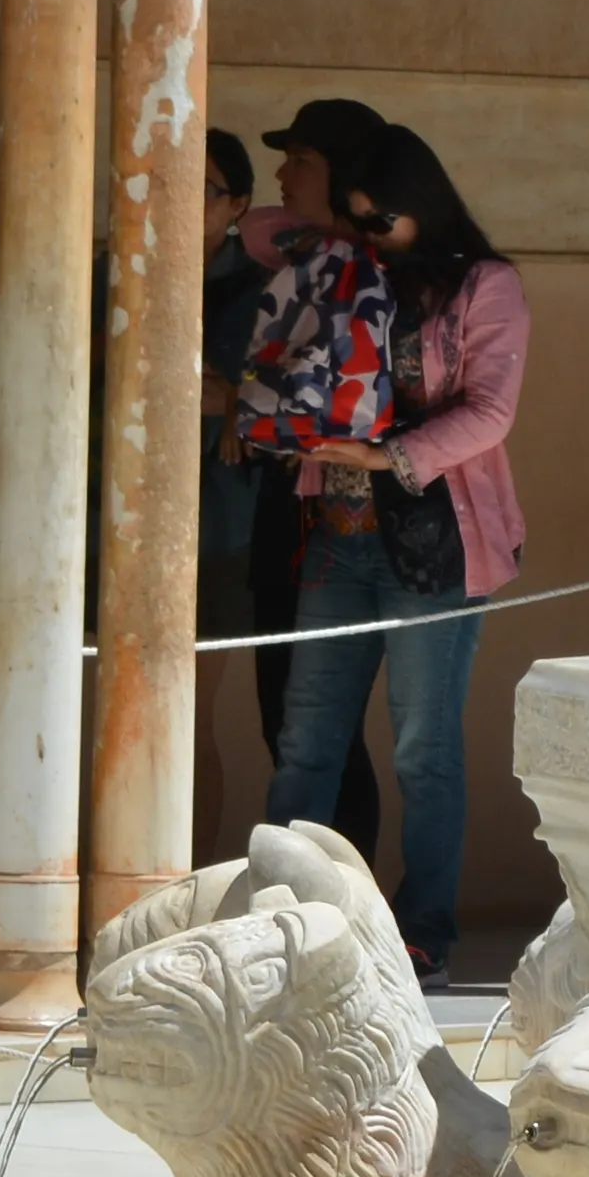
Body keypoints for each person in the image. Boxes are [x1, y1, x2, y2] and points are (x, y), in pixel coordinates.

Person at [264, 121, 524, 975]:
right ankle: (281, 917)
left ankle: (425, 931)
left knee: (422, 747)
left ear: (425, 206)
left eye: (384, 219)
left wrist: (385, 456)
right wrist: (336, 222)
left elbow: (490, 411)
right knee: (307, 741)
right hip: (338, 540)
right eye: (359, 217)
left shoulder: (485, 283)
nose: (372, 235)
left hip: (436, 548)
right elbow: (262, 232)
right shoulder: (344, 262)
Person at [223, 94, 397, 837]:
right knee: (284, 722)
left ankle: (344, 895)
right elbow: (259, 227)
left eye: (300, 161)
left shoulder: (385, 272)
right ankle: (306, 887)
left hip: (354, 520)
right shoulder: (303, 259)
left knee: (327, 732)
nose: (282, 175)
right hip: (285, 506)